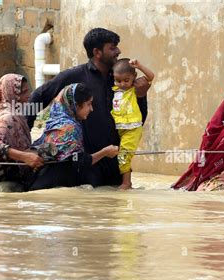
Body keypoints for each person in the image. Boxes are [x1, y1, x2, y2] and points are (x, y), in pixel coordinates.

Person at [27, 28, 151, 187]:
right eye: (112, 48)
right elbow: (39, 96)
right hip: (86, 166)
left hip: (114, 164)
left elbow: (137, 121)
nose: (118, 51)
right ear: (97, 52)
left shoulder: (122, 80)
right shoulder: (74, 76)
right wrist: (24, 137)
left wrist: (141, 96)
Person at [29, 83, 119, 190]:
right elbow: (80, 162)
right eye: (88, 104)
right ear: (76, 105)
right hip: (51, 189)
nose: (92, 109)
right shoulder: (68, 128)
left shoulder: (57, 122)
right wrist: (105, 152)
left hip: (48, 186)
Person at [111, 58, 154, 190]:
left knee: (124, 155)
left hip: (132, 128)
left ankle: (126, 183)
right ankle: (125, 181)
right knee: (123, 155)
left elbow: (151, 76)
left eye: (126, 80)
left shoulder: (134, 89)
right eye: (118, 80)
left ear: (133, 77)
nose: (122, 84)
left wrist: (139, 66)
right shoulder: (114, 90)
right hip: (119, 128)